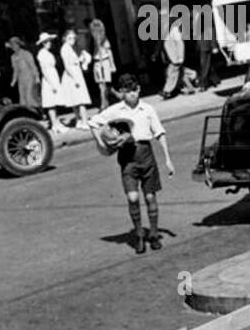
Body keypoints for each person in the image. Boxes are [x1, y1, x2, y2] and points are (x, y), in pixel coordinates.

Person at [88, 74, 175, 254]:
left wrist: (168, 159)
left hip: (146, 154)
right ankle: (139, 234)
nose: (132, 94)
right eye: (128, 92)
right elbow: (92, 122)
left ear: (139, 89)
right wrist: (102, 144)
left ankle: (153, 233)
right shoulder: (115, 110)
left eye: (135, 90)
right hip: (127, 158)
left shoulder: (148, 109)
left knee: (150, 197)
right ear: (121, 93)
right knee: (133, 198)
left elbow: (160, 133)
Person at [58, 29, 93, 128]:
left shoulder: (71, 48)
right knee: (81, 99)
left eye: (73, 38)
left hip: (76, 72)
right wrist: (75, 78)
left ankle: (79, 120)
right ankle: (84, 122)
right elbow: (67, 66)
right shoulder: (65, 49)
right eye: (69, 38)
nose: (72, 40)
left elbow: (76, 59)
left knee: (77, 99)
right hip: (72, 75)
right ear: (65, 38)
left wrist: (82, 60)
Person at [161, 19, 197, 99]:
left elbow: (180, 44)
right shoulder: (167, 32)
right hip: (173, 58)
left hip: (176, 58)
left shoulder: (174, 31)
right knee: (182, 74)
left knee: (171, 73)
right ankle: (191, 85)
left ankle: (167, 91)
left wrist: (180, 57)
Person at [89, 19, 117, 108]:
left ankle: (103, 104)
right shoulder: (93, 40)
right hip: (97, 63)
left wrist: (112, 65)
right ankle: (109, 99)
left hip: (104, 62)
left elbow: (109, 53)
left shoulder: (104, 40)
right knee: (102, 85)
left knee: (102, 85)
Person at [7, 37, 41, 109]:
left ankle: (40, 112)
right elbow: (15, 70)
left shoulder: (26, 54)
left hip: (29, 77)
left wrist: (36, 76)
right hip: (21, 80)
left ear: (18, 45)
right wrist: (13, 81)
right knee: (23, 98)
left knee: (30, 96)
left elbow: (32, 65)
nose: (14, 47)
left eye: (15, 45)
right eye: (12, 45)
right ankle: (29, 115)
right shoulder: (13, 57)